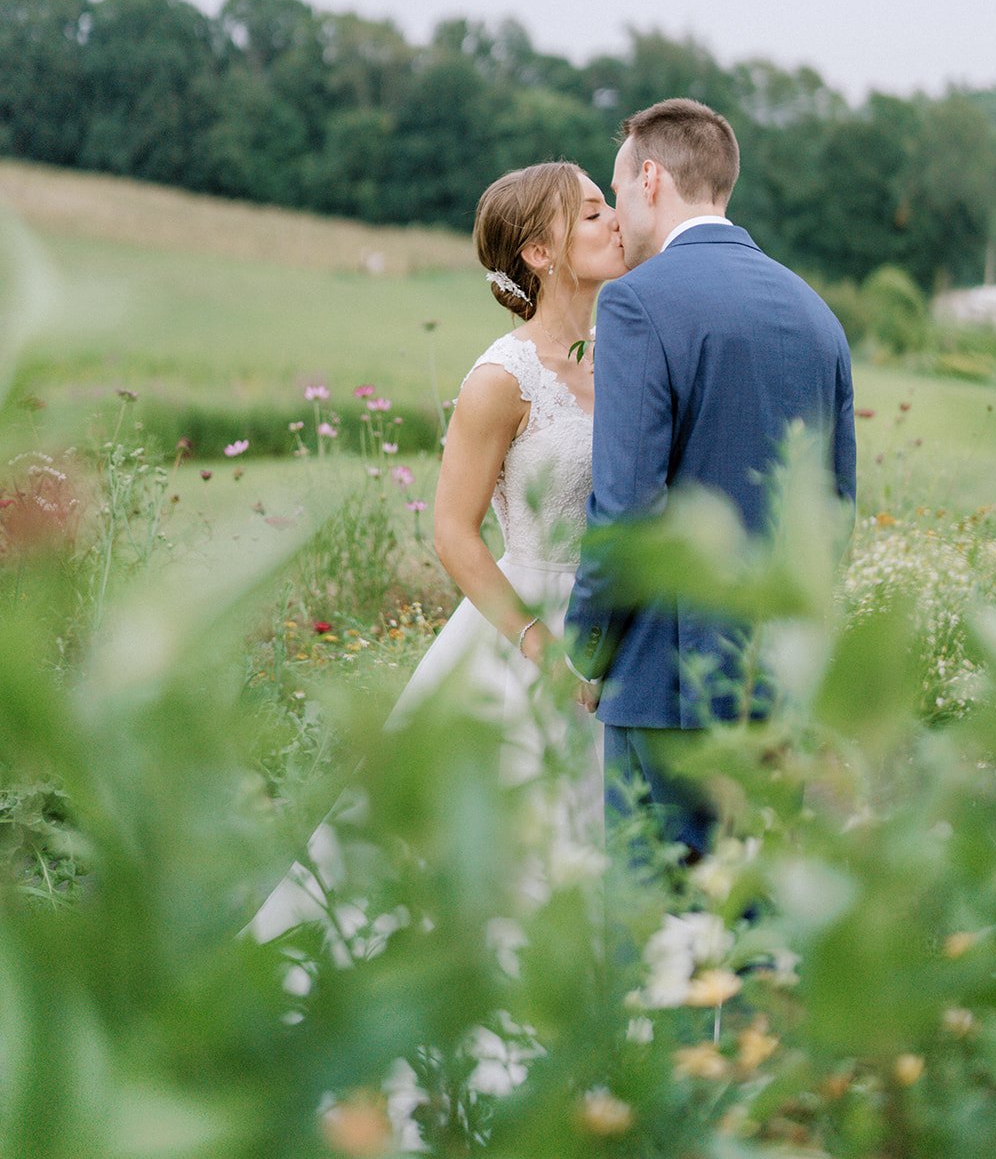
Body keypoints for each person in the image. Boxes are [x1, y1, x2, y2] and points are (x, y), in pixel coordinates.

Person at [250, 160, 623, 944]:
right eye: (591, 213)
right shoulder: (502, 377)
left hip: (615, 632)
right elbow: (452, 534)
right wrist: (542, 650)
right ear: (538, 253)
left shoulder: (623, 358)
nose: (616, 217)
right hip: (526, 637)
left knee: (600, 852)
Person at [565, 98, 856, 865]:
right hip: (780, 695)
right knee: (757, 938)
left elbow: (628, 507)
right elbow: (833, 513)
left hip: (668, 688)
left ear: (651, 178)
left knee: (655, 941)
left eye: (619, 190)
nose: (617, 217)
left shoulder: (636, 303)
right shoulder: (818, 316)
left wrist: (587, 650)